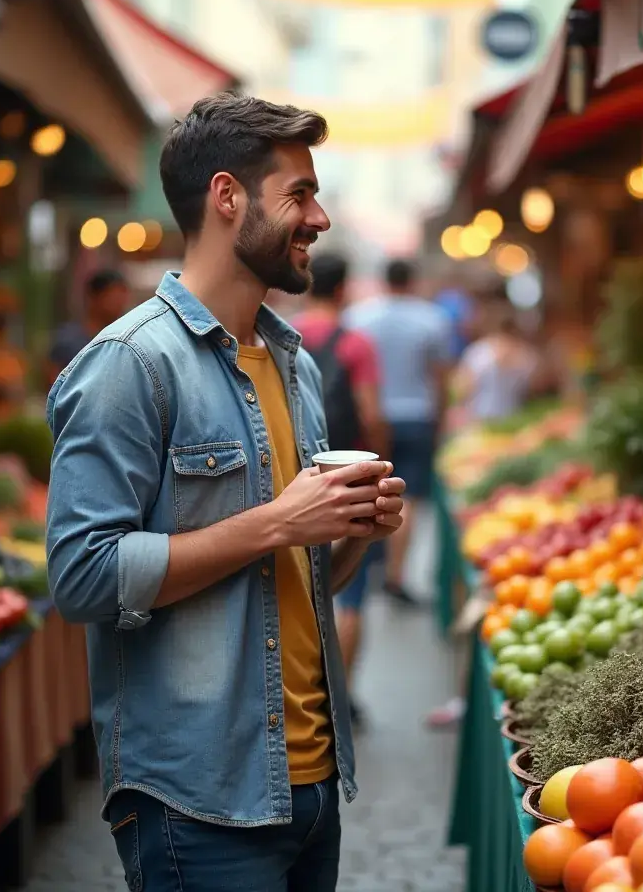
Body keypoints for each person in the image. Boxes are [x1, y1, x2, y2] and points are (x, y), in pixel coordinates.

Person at [45, 94, 407, 892]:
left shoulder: (294, 366)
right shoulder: (129, 364)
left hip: (311, 786)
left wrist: (351, 530)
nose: (319, 219)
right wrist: (277, 522)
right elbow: (82, 577)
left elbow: (296, 581)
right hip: (196, 803)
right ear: (227, 197)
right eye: (300, 195)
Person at [291, 251, 387, 728]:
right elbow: (370, 411)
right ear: (343, 288)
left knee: (297, 580)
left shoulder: (285, 336)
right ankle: (339, 696)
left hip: (296, 475)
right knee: (349, 595)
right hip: (348, 472)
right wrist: (378, 457)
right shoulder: (354, 343)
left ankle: (304, 692)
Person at [344, 258, 452, 606]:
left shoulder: (359, 316)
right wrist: (441, 418)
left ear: (384, 280)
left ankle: (361, 562)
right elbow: (440, 376)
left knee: (368, 493)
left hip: (370, 417)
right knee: (409, 499)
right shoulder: (432, 318)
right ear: (412, 280)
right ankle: (395, 575)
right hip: (417, 417)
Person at [453, 294, 541, 423]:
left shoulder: (479, 352)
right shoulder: (525, 353)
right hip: (515, 418)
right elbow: (535, 388)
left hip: (480, 418)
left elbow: (462, 388)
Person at [45, 268, 129, 386]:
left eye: (123, 296)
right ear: (94, 297)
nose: (120, 303)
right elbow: (52, 380)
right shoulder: (68, 339)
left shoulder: (125, 340)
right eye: (114, 296)